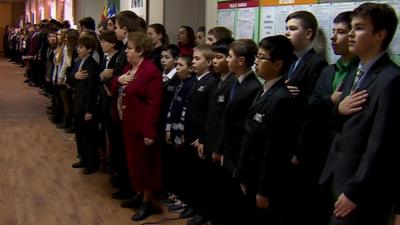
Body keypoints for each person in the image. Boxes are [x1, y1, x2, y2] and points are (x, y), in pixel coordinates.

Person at [319, 3, 400, 225]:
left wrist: (356, 191)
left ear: (380, 34)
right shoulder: (356, 72)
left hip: (359, 190)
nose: (351, 34)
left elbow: (381, 145)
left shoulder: (391, 79)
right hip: (335, 176)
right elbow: (337, 122)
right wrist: (338, 108)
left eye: (360, 28)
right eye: (351, 28)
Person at [235, 35, 297, 225]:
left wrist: (264, 189)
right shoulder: (264, 91)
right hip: (251, 173)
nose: (257, 62)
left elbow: (275, 149)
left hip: (264, 180)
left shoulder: (281, 99)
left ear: (277, 64)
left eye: (262, 58)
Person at [112, 31, 163, 221]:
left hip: (142, 127)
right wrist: (117, 80)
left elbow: (154, 104)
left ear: (140, 50)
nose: (126, 51)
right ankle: (139, 194)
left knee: (146, 166)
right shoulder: (128, 68)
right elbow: (114, 86)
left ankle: (147, 201)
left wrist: (149, 131)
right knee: (134, 163)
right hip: (128, 124)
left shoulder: (151, 71)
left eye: (130, 48)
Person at [284, 10, 328, 225]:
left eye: (293, 29)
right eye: (287, 28)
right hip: (285, 139)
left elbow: (314, 111)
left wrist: (299, 150)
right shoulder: (290, 61)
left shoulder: (316, 63)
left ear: (309, 33)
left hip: (301, 143)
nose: (287, 33)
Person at [68, 36, 100, 174]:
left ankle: (91, 163)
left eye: (81, 47)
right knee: (80, 134)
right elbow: (69, 79)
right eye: (78, 47)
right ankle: (82, 158)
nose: (78, 49)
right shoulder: (78, 62)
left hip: (86, 105)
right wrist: (75, 77)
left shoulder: (92, 65)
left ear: (89, 49)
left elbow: (92, 89)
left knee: (88, 136)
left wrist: (89, 110)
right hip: (77, 103)